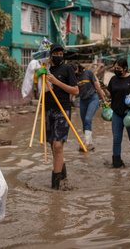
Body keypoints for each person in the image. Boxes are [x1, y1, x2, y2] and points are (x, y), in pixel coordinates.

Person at [36, 43, 78, 189]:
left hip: (62, 109)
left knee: (58, 145)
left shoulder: (67, 69)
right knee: (53, 147)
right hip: (47, 110)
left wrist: (56, 82)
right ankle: (62, 172)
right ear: (50, 54)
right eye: (56, 53)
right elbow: (39, 90)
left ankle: (55, 186)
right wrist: (38, 78)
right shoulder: (44, 68)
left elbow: (75, 91)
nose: (59, 56)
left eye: (61, 53)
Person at [100, 58, 130, 168]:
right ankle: (117, 164)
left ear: (125, 68)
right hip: (117, 112)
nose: (116, 70)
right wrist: (105, 89)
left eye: (118, 69)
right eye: (115, 68)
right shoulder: (113, 79)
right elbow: (110, 95)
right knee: (116, 139)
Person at [69, 62, 107, 151]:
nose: (73, 72)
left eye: (74, 70)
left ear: (78, 68)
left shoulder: (89, 73)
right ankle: (88, 142)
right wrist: (68, 102)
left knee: (88, 119)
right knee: (84, 122)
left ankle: (87, 143)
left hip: (93, 99)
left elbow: (97, 86)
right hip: (83, 100)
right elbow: (72, 91)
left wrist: (104, 99)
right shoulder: (74, 77)